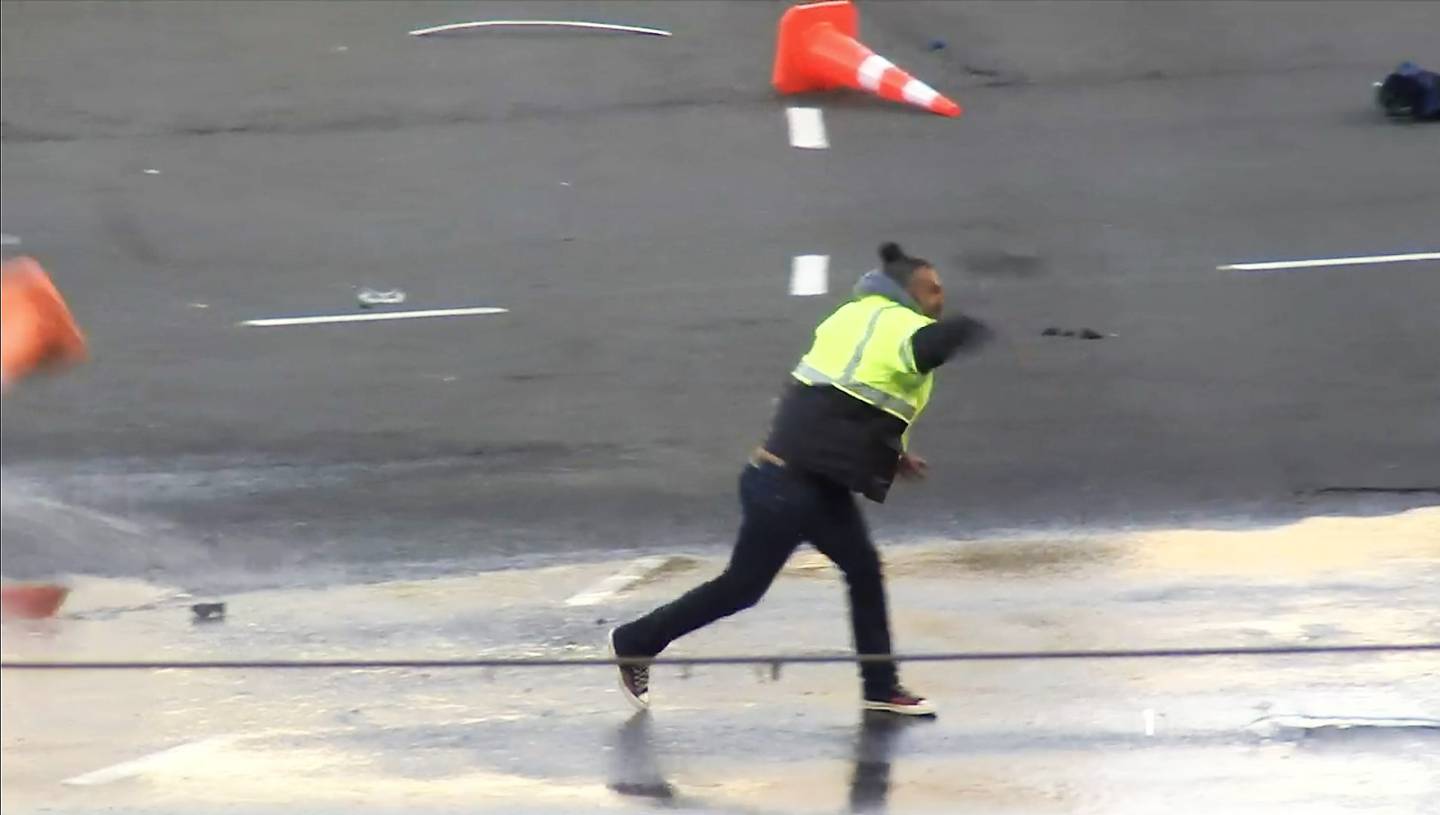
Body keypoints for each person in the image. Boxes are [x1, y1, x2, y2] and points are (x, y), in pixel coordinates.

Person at [609, 242, 992, 716]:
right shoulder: (897, 323)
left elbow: (843, 398)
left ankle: (879, 687)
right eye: (932, 291)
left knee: (778, 582)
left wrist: (893, 455)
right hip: (795, 486)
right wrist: (969, 328)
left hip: (786, 477)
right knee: (773, 583)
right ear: (907, 292)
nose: (940, 300)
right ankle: (635, 639)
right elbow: (920, 351)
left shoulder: (853, 318)